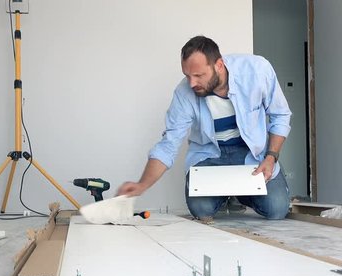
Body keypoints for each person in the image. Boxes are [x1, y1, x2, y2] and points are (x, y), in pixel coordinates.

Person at [117, 35, 292, 223]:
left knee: (277, 209)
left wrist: (271, 156)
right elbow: (168, 145)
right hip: (210, 156)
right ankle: (226, 195)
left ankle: (239, 194)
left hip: (252, 154)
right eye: (187, 75)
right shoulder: (184, 94)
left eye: (199, 75)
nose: (192, 83)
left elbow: (280, 115)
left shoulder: (257, 71)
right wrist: (142, 185)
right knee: (200, 209)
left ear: (218, 65)